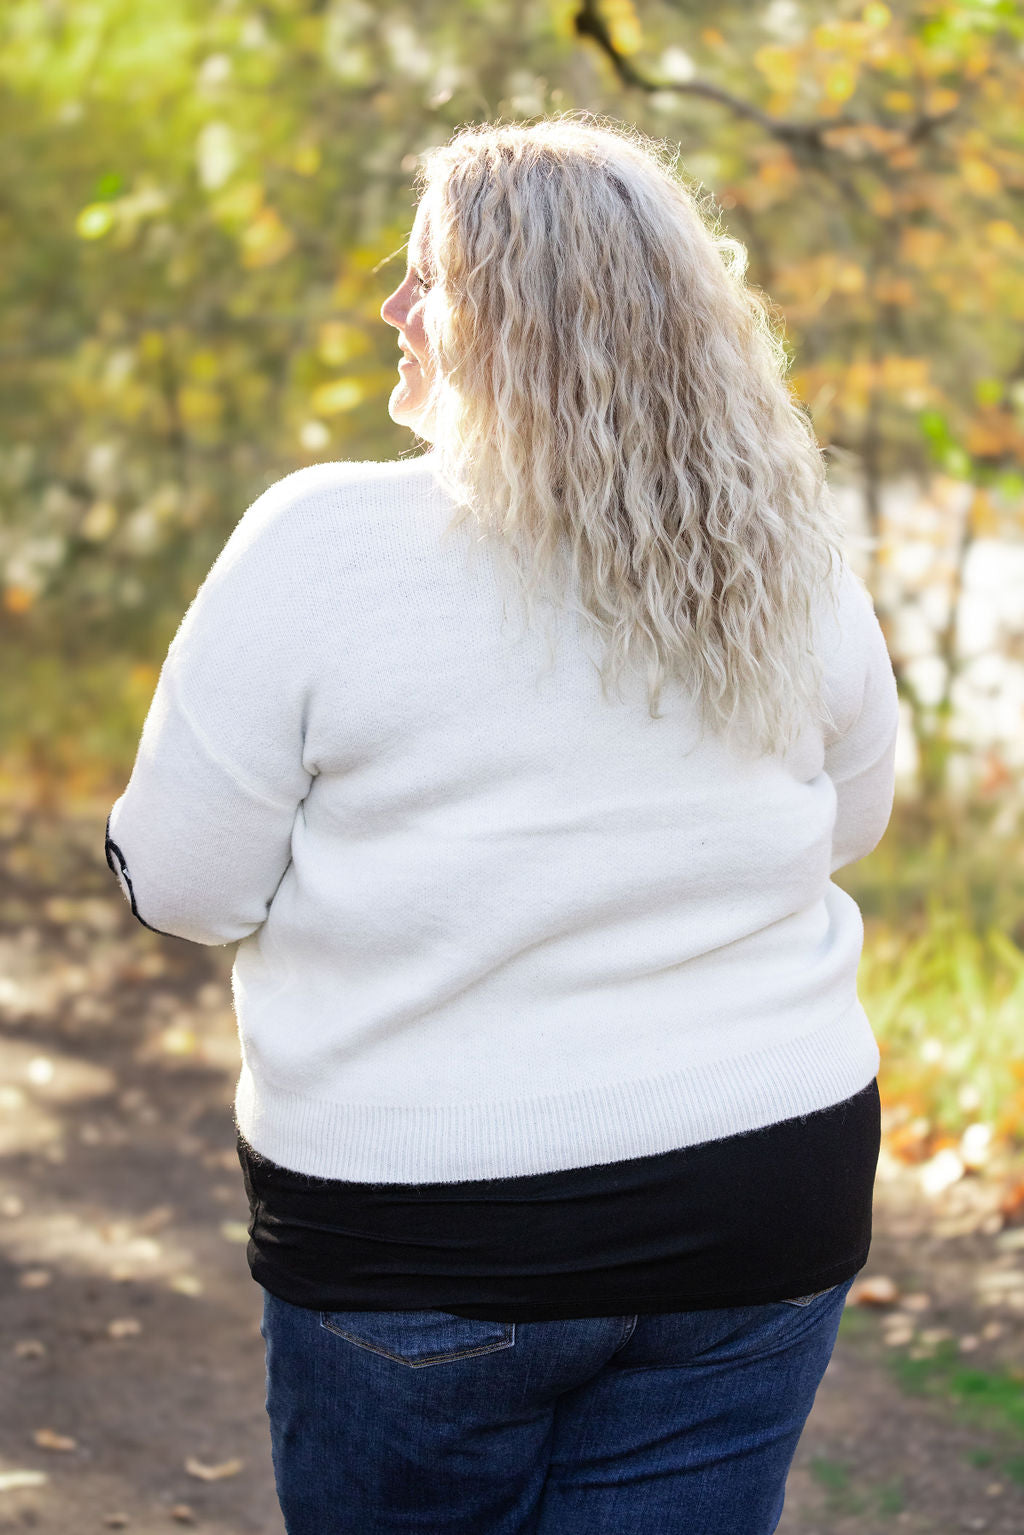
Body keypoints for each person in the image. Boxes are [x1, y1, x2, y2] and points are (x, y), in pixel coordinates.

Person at [104, 113, 900, 1535]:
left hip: (429, 1236)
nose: (393, 309)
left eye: (428, 279)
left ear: (529, 324)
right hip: (762, 1200)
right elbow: (845, 823)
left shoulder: (319, 545)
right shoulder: (785, 548)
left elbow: (185, 886)